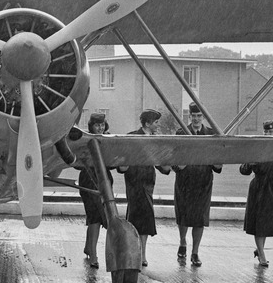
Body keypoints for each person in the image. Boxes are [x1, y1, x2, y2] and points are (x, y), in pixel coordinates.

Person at [117, 109, 171, 267]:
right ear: (147, 123)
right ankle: (134, 251)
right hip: (134, 180)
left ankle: (142, 253)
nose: (158, 125)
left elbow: (162, 164)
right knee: (134, 215)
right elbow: (123, 160)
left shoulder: (156, 140)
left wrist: (167, 164)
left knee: (146, 216)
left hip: (147, 182)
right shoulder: (132, 136)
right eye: (156, 122)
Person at [171, 103, 222, 267]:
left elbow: (217, 161)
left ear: (203, 117)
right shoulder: (181, 133)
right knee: (184, 216)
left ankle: (195, 252)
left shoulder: (211, 134)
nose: (196, 118)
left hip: (203, 183)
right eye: (193, 115)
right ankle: (183, 242)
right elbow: (173, 156)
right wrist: (178, 166)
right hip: (185, 182)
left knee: (199, 219)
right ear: (189, 116)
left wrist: (219, 163)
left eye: (199, 115)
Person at [239, 120, 273, 267]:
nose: (268, 134)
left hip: (272, 188)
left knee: (266, 222)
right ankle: (262, 256)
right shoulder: (256, 147)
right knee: (258, 223)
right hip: (258, 187)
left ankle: (259, 248)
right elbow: (243, 170)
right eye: (266, 132)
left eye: (271, 132)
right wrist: (250, 163)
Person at [78, 113, 113, 269]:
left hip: (103, 181)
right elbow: (76, 162)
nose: (100, 127)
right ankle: (93, 254)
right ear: (91, 126)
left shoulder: (108, 141)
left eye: (102, 125)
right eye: (97, 125)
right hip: (88, 180)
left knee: (96, 216)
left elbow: (113, 163)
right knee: (95, 217)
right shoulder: (84, 141)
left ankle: (88, 247)